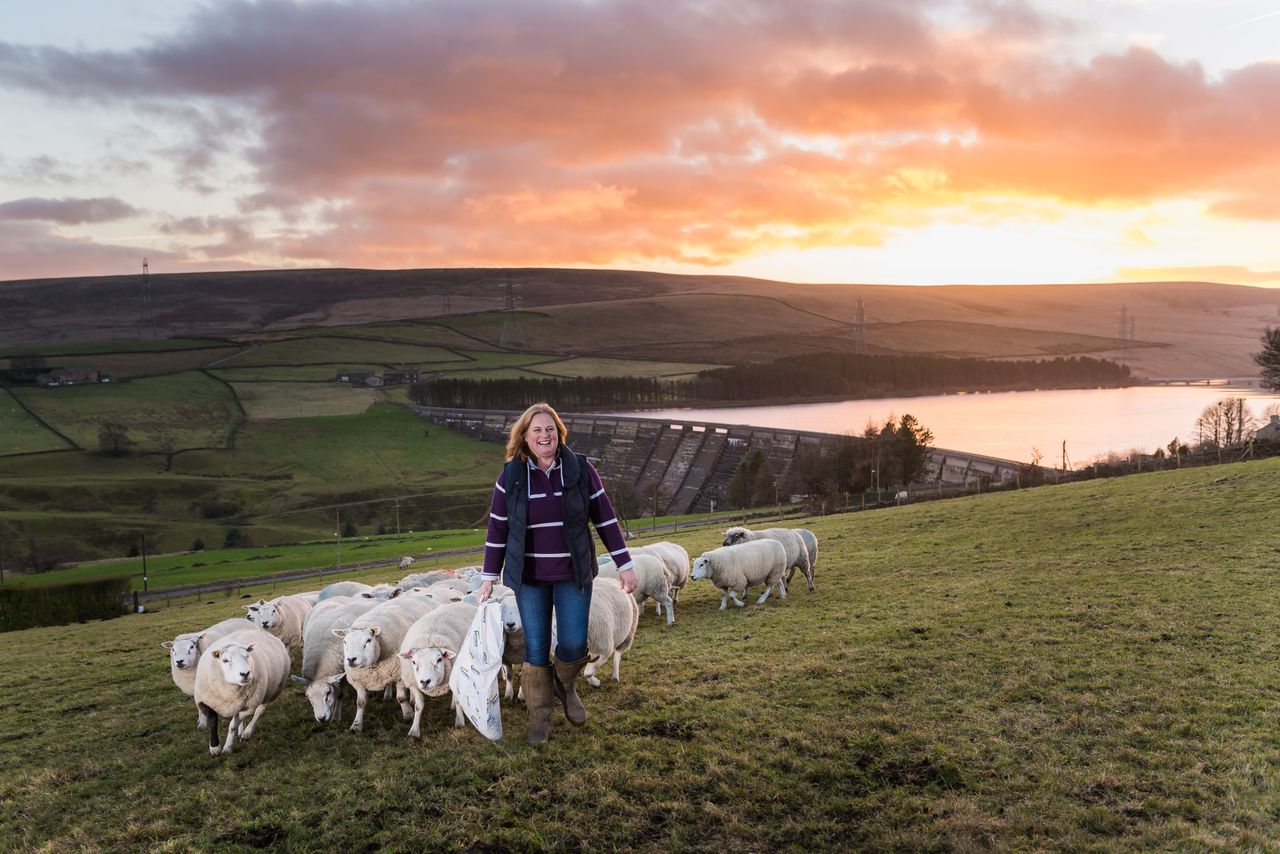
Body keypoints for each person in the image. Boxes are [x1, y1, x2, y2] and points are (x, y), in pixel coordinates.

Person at [477, 402, 637, 745]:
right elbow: (498, 527)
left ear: (559, 433)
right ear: (524, 437)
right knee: (535, 647)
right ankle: (540, 716)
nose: (544, 435)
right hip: (530, 579)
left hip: (572, 574)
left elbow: (605, 518)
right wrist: (489, 576)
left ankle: (566, 685)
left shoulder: (580, 469)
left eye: (550, 429)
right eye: (536, 430)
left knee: (575, 641)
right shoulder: (512, 477)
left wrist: (625, 563)